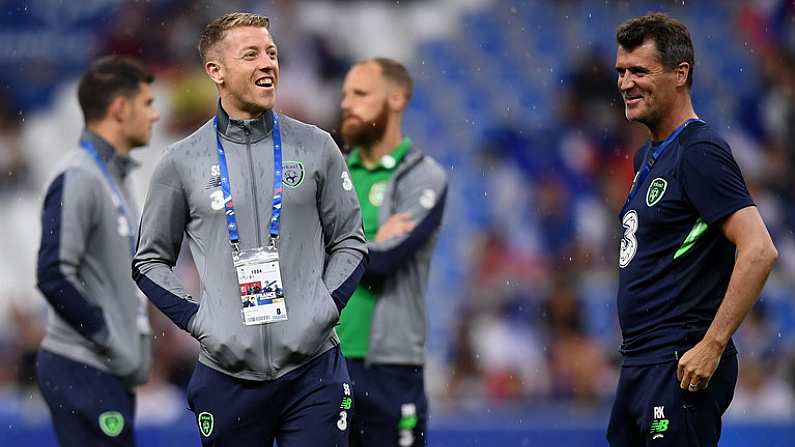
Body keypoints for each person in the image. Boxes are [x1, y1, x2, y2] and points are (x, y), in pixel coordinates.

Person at [132, 12, 367, 446]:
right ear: (215, 71)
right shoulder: (180, 163)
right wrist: (201, 320)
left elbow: (351, 241)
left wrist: (324, 306)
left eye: (272, 53)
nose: (268, 63)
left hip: (313, 370)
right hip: (227, 376)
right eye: (251, 54)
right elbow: (149, 261)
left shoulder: (316, 146)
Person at [607, 13, 778, 446]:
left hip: (679, 360)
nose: (626, 83)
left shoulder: (699, 151)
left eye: (640, 71)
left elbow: (759, 250)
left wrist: (712, 344)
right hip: (640, 364)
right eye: (621, 72)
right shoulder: (646, 159)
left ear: (680, 74)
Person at [35, 55, 159, 446]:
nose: (155, 116)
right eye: (148, 104)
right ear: (120, 109)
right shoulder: (79, 176)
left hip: (106, 371)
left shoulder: (115, 176)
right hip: (82, 366)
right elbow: (53, 272)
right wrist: (107, 336)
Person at [338, 58, 448, 447]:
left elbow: (386, 260)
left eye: (361, 94)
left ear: (396, 98)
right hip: (327, 364)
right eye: (345, 94)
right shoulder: (332, 173)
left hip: (392, 369)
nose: (347, 103)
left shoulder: (424, 176)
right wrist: (370, 241)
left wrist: (333, 245)